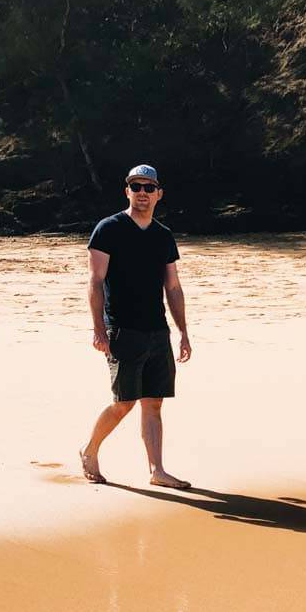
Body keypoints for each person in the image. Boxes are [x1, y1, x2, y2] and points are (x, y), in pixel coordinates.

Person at [79, 164, 192, 488]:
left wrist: (183, 332)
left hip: (157, 330)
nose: (143, 192)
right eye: (136, 187)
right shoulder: (108, 229)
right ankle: (90, 450)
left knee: (154, 402)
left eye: (149, 187)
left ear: (159, 194)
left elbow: (173, 286)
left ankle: (157, 470)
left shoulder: (163, 235)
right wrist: (98, 329)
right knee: (124, 402)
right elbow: (95, 281)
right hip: (122, 329)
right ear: (127, 191)